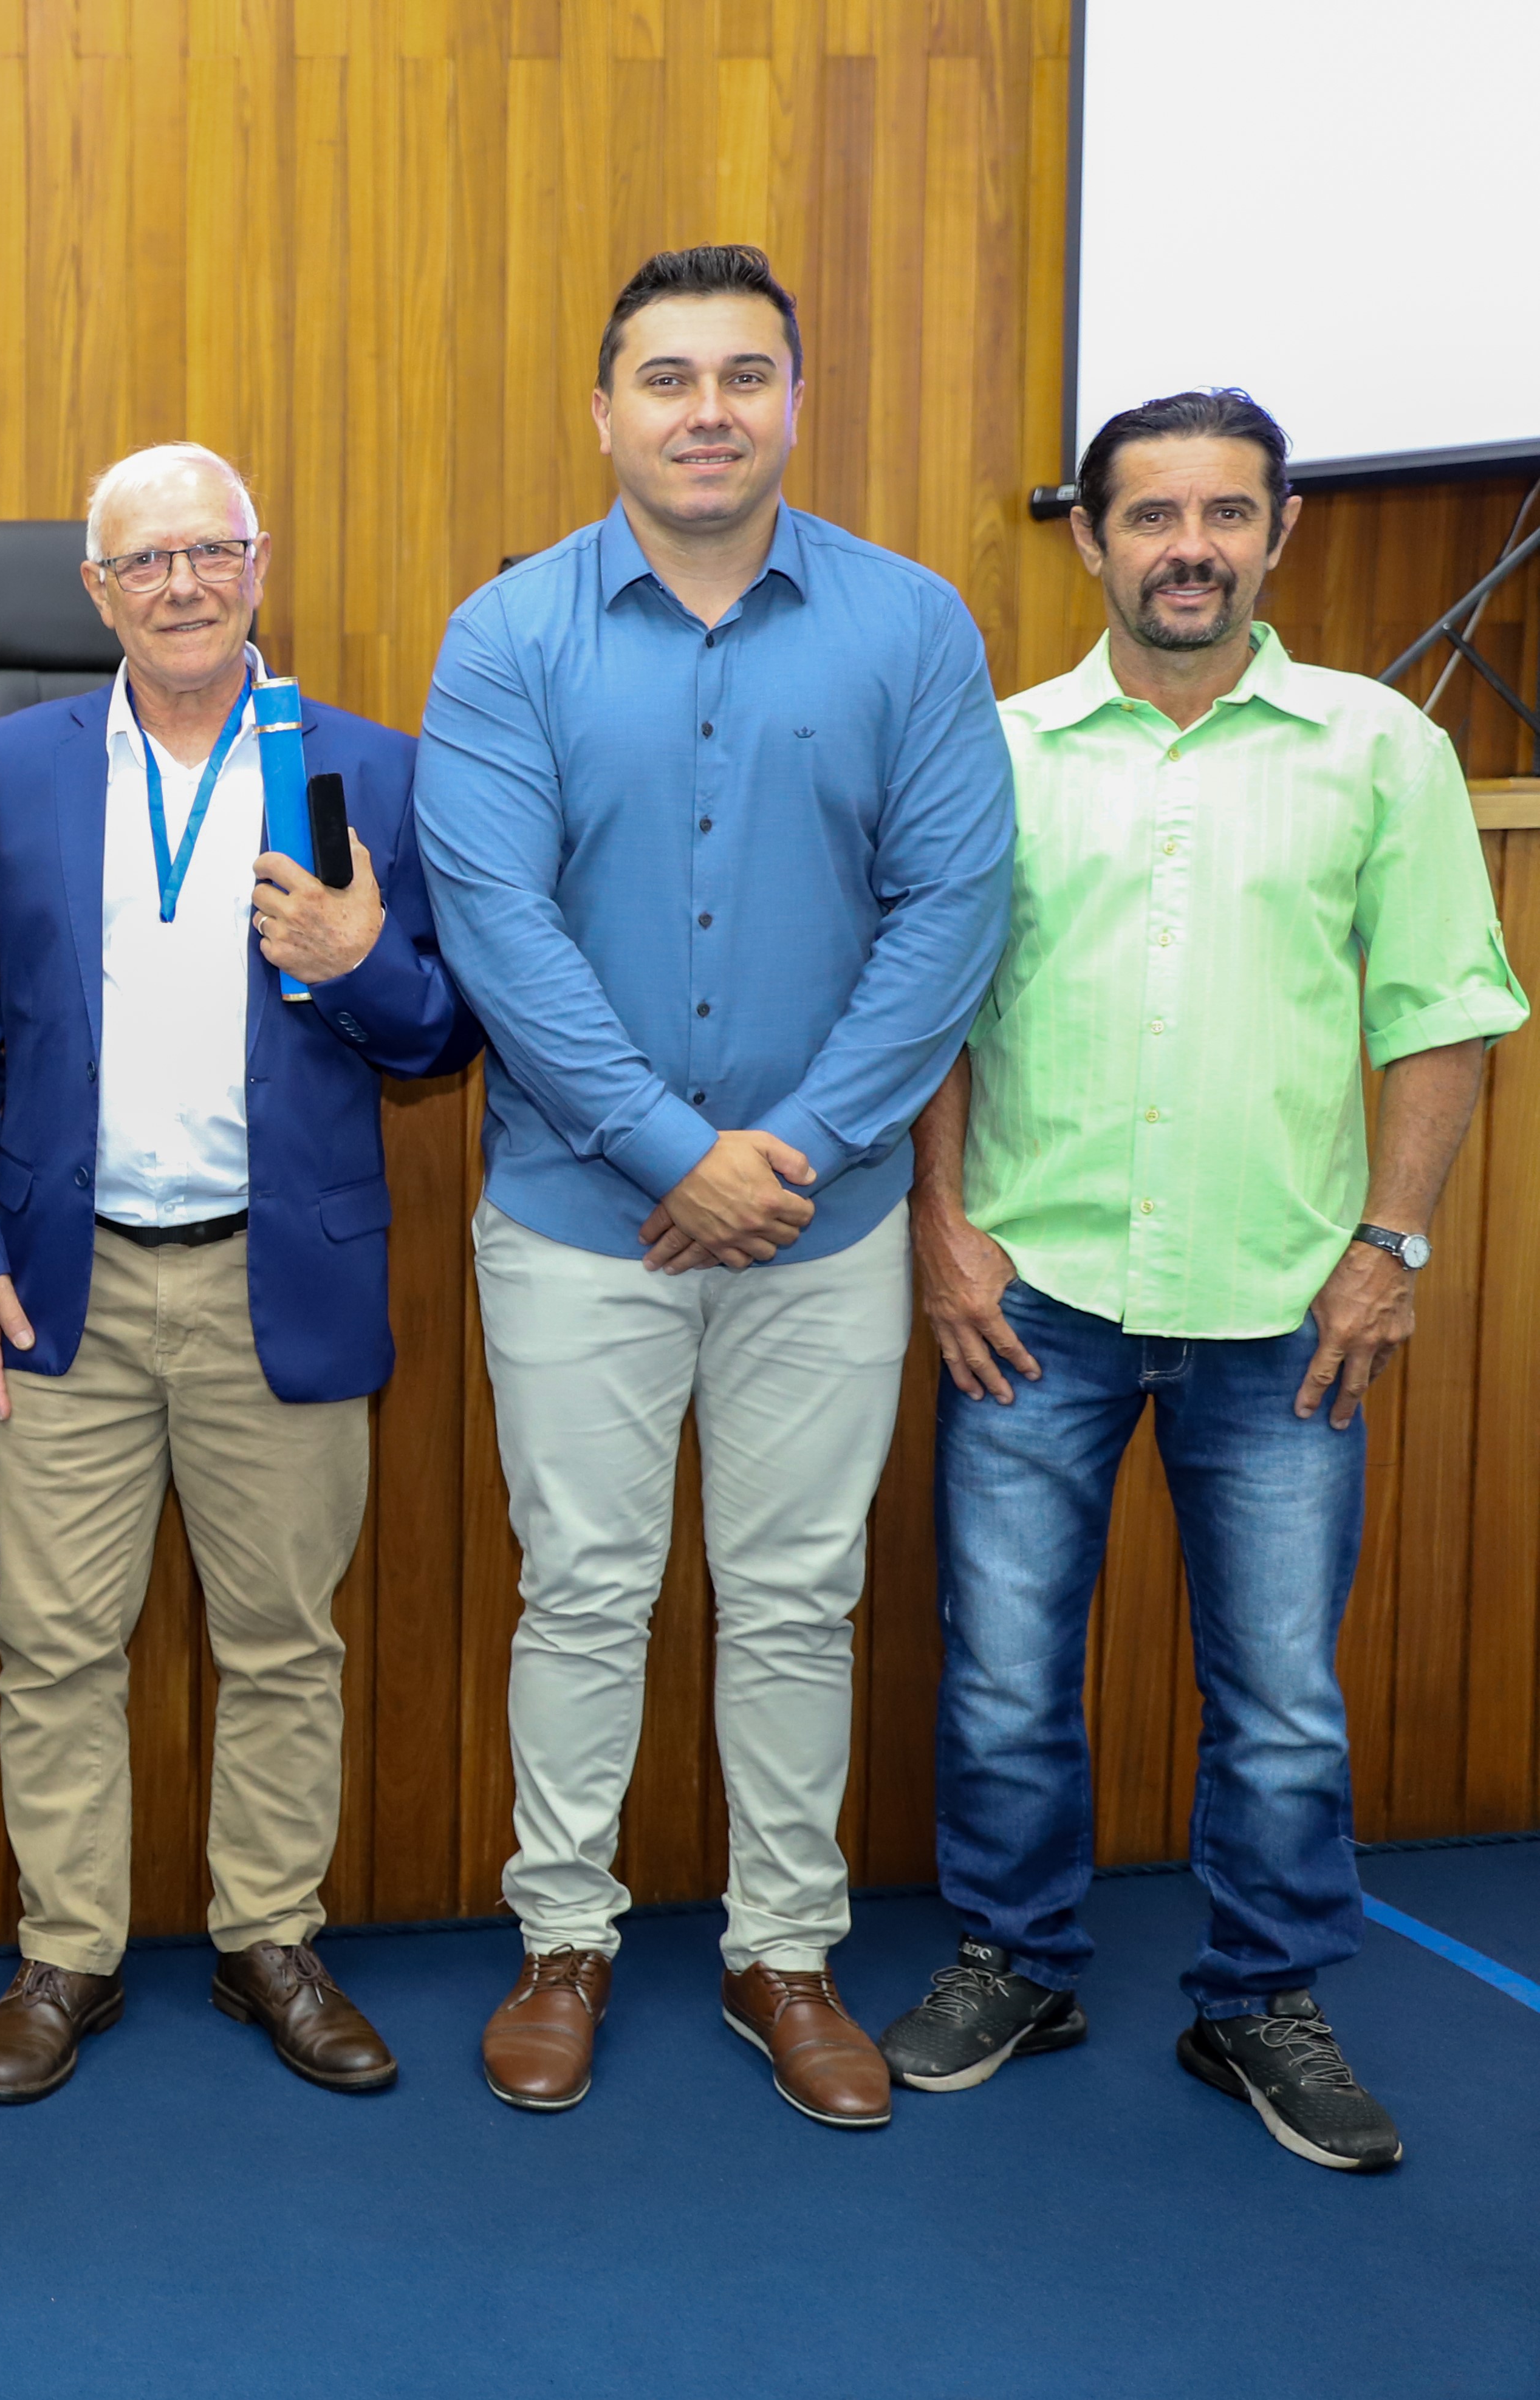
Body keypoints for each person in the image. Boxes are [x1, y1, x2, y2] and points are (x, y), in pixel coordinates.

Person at [882, 391, 1524, 2172]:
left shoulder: (1373, 744)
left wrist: (1386, 1251)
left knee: (1279, 1698)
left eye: (1223, 515)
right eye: (1149, 516)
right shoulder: (998, 752)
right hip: (1035, 1298)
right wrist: (940, 1229)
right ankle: (1018, 1959)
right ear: (1086, 540)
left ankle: (1258, 1997)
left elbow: (1441, 1018)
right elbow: (931, 1011)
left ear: (1277, 532)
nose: (1187, 547)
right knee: (1005, 1675)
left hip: (1282, 1309)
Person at [417, 245, 1015, 2126]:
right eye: (664, 380)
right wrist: (677, 1154)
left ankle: (782, 1954)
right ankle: (563, 1942)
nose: (702, 411)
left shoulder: (911, 628)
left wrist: (798, 1151)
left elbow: (950, 914)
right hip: (578, 1220)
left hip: (823, 1228)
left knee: (791, 1596)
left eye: (740, 376)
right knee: (583, 1591)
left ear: (791, 402)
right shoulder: (504, 637)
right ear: (602, 415)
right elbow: (496, 929)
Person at [0, 443, 478, 2105]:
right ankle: (66, 1952)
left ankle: (268, 1940)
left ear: (255, 566)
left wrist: (359, 962)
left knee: (282, 1639)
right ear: (92, 593)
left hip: (275, 1285)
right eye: (142, 561)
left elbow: (441, 1033)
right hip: (64, 1286)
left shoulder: (357, 771)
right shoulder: (12, 769)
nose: (179, 583)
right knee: (53, 1643)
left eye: (208, 553)